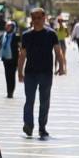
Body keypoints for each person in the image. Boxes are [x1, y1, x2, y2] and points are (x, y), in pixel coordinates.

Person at [17, 8, 66, 139]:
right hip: (30, 73)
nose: (37, 21)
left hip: (46, 72)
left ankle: (42, 127)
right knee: (29, 100)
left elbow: (58, 51)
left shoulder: (51, 34)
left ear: (44, 18)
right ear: (31, 19)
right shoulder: (26, 35)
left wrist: (61, 66)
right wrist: (20, 72)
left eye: (39, 18)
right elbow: (22, 55)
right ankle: (28, 125)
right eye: (34, 18)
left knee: (44, 101)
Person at [0, 21, 20, 98]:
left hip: (14, 58)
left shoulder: (16, 36)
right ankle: (8, 91)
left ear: (13, 27)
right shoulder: (3, 35)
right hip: (5, 58)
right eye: (6, 26)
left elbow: (21, 47)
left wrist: (21, 57)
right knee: (7, 75)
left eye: (9, 26)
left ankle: (11, 92)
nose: (7, 27)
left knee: (12, 75)